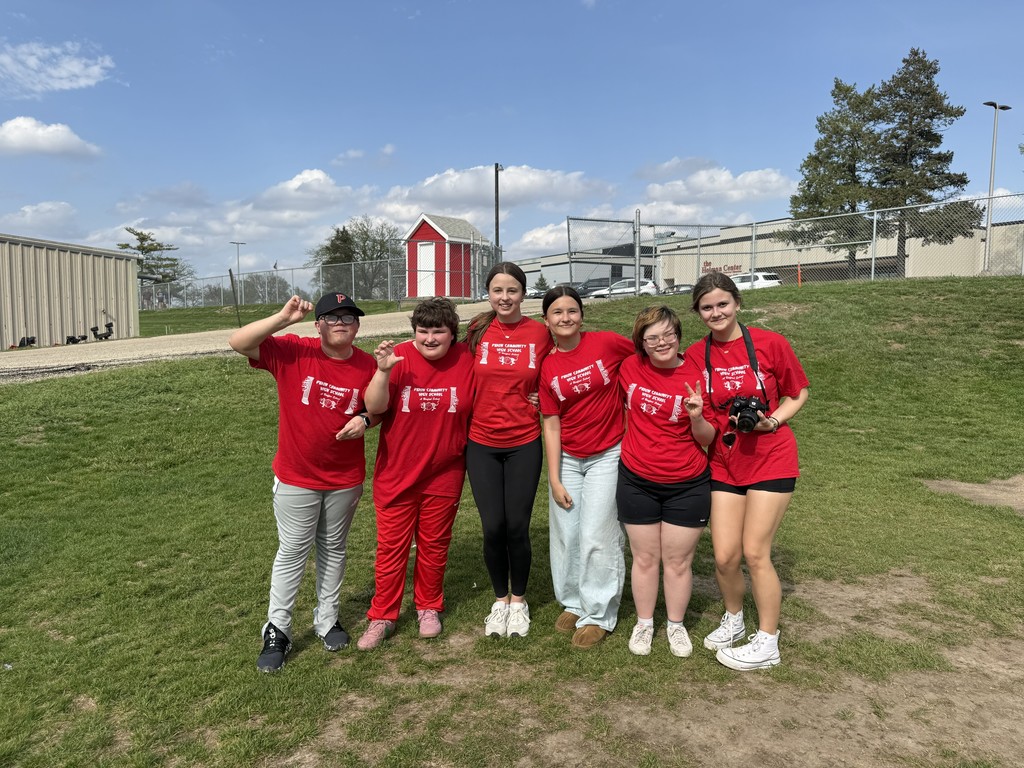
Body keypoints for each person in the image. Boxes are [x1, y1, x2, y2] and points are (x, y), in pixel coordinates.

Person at [229, 293, 378, 672]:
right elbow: (239, 342)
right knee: (293, 551)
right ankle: (278, 628)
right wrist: (282, 319)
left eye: (349, 317)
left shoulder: (367, 364)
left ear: (358, 325)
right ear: (318, 324)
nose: (341, 323)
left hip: (344, 478)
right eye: (332, 317)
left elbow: (379, 406)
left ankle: (327, 618)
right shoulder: (294, 350)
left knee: (334, 548)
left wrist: (365, 419)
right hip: (297, 476)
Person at [683, 271, 809, 670]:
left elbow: (798, 393)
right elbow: (701, 417)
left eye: (722, 304)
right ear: (698, 313)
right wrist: (697, 417)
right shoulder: (695, 354)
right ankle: (734, 618)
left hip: (771, 458)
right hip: (724, 462)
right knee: (724, 556)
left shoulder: (771, 343)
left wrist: (772, 421)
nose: (716, 313)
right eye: (707, 307)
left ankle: (768, 641)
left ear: (737, 303)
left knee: (755, 552)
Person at [356, 298, 476, 650]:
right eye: (422, 331)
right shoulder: (399, 358)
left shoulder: (467, 358)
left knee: (434, 545)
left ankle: (428, 607)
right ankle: (382, 616)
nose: (430, 338)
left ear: (453, 333)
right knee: (391, 549)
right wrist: (382, 371)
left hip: (445, 471)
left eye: (439, 331)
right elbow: (374, 407)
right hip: (397, 472)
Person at [616, 305, 716, 657]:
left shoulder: (696, 373)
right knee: (644, 558)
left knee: (678, 562)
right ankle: (644, 623)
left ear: (678, 335)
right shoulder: (630, 367)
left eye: (668, 334)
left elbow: (707, 438)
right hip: (637, 478)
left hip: (687, 483)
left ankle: (675, 625)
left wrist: (696, 417)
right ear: (641, 343)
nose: (662, 343)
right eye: (653, 337)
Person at [539, 286, 634, 648]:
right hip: (568, 458)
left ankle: (599, 613)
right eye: (557, 312)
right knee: (567, 532)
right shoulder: (548, 366)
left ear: (582, 315)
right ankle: (574, 601)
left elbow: (644, 358)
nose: (566, 318)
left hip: (608, 452)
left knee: (597, 533)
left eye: (572, 311)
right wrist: (554, 477)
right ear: (546, 320)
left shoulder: (606, 343)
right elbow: (551, 423)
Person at [465, 262, 553, 638]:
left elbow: (559, 369)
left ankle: (519, 602)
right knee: (492, 527)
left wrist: (544, 397)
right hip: (481, 443)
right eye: (498, 290)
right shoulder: (477, 329)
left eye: (512, 290)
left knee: (517, 526)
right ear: (488, 294)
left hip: (523, 442)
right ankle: (499, 600)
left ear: (523, 294)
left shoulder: (540, 332)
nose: (505, 297)